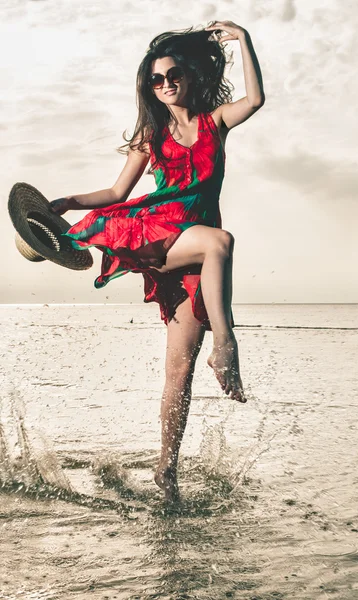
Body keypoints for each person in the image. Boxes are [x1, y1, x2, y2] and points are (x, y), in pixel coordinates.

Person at [50, 20, 265, 502]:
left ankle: (166, 474)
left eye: (172, 76)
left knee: (178, 370)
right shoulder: (153, 134)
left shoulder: (215, 122)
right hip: (156, 233)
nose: (165, 85)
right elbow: (116, 191)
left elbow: (255, 100)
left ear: (189, 75)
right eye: (156, 79)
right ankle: (227, 346)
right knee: (221, 242)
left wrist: (243, 40)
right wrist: (68, 201)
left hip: (192, 257)